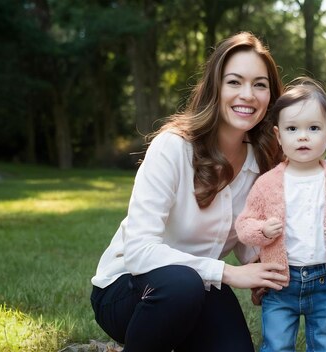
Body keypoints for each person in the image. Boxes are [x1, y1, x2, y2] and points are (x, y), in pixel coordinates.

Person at [89, 32, 289, 352]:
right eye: (234, 82)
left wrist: (267, 272)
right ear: (215, 88)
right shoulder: (173, 147)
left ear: (271, 96)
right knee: (182, 286)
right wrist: (229, 273)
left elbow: (248, 240)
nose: (248, 95)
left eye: (260, 85)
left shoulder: (263, 162)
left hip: (203, 286)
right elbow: (139, 251)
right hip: (128, 289)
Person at [235, 77, 326, 352]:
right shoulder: (267, 183)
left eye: (313, 128)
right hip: (281, 281)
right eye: (292, 128)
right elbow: (244, 224)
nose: (303, 136)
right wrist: (262, 231)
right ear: (278, 136)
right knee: (276, 343)